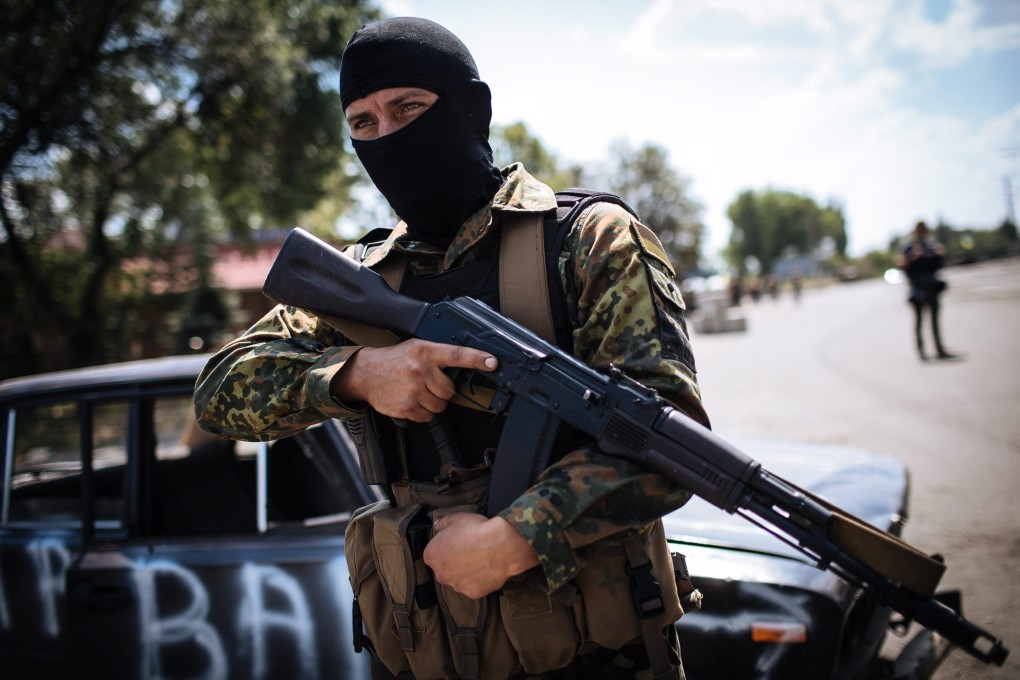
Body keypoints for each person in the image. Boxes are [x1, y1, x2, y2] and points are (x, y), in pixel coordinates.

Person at [194, 17, 709, 680]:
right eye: (364, 123)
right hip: (429, 642)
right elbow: (218, 393)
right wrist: (355, 373)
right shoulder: (362, 280)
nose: (388, 137)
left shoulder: (587, 240)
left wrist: (519, 536)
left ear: (473, 109)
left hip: (595, 654)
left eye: (408, 109)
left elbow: (673, 441)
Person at [897, 221, 953, 361]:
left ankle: (939, 349)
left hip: (932, 287)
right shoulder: (908, 245)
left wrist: (940, 253)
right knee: (919, 321)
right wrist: (912, 256)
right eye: (919, 230)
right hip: (917, 289)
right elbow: (901, 263)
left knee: (934, 321)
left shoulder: (930, 244)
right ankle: (921, 352)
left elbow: (939, 265)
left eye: (923, 230)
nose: (922, 232)